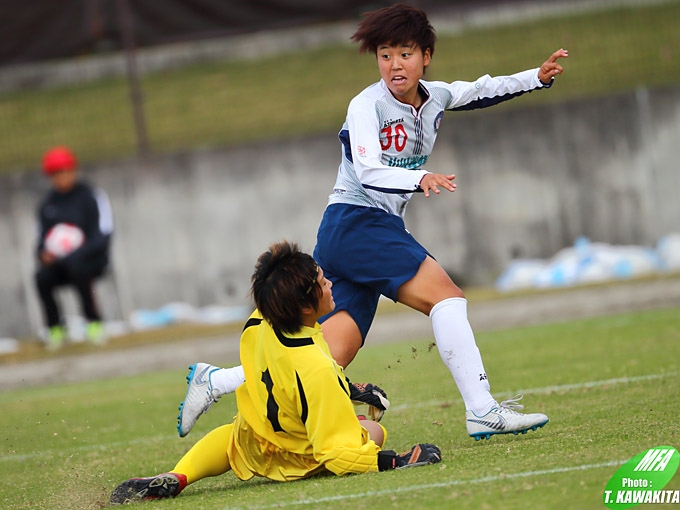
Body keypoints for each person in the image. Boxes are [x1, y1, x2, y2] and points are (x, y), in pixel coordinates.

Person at [177, 4, 567, 441]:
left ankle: (218, 380)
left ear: (426, 56)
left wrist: (536, 77)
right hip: (356, 222)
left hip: (357, 233)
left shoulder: (435, 96)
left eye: (405, 54)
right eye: (385, 55)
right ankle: (482, 409)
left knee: (327, 354)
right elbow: (367, 171)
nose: (395, 65)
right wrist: (421, 178)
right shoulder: (366, 106)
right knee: (447, 298)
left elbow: (479, 90)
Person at [110, 241, 441, 504]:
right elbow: (338, 454)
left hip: (255, 436)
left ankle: (180, 475)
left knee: (231, 437)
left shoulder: (257, 324)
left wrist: (348, 389)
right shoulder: (315, 368)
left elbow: (286, 380)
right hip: (295, 454)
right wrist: (393, 461)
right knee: (372, 431)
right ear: (306, 307)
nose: (329, 284)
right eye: (322, 282)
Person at [35, 146, 113, 349]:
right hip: (60, 262)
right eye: (55, 174)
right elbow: (40, 240)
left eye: (64, 171)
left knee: (78, 268)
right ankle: (55, 329)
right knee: (42, 278)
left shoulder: (91, 196)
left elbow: (103, 235)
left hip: (91, 258)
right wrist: (44, 254)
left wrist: (76, 253)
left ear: (73, 170)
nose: (61, 177)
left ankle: (94, 323)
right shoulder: (47, 204)